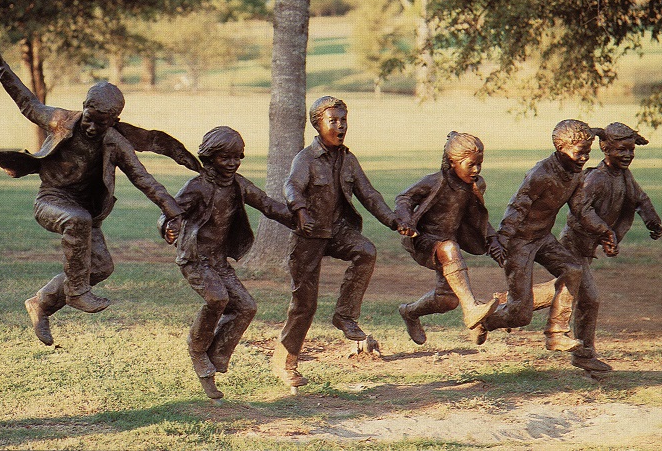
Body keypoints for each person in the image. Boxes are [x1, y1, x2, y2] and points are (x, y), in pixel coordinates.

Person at [0, 29, 200, 347]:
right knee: (76, 221)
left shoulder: (115, 143)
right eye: (89, 117)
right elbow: (27, 103)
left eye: (102, 122)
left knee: (100, 266)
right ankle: (76, 292)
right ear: (83, 107)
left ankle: (41, 304)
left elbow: (144, 179)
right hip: (52, 200)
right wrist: (2, 66)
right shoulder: (60, 120)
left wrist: (174, 212)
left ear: (113, 121)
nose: (92, 126)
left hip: (85, 211)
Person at [494, 123, 662, 371]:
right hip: (573, 244)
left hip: (581, 245)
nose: (627, 154)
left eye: (631, 149)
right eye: (621, 149)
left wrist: (646, 222)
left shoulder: (621, 177)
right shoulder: (593, 178)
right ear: (606, 148)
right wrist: (603, 231)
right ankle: (581, 353)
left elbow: (638, 200)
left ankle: (512, 303)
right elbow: (576, 213)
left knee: (568, 289)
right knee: (588, 297)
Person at [272, 96, 410, 388]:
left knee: (366, 251)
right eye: (333, 121)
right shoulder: (306, 159)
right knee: (304, 304)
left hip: (337, 232)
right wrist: (300, 210)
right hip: (309, 236)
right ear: (318, 124)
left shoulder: (348, 160)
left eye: (343, 120)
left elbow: (369, 195)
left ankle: (345, 316)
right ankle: (285, 363)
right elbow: (291, 186)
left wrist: (394, 221)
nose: (340, 126)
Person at [160, 126, 294, 400]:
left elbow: (267, 204)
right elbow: (170, 210)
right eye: (225, 158)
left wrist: (300, 219)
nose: (233, 164)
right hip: (195, 258)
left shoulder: (237, 184)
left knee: (246, 306)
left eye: (238, 158)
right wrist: (168, 226)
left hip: (219, 261)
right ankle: (197, 350)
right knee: (217, 298)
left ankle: (215, 356)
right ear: (210, 158)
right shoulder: (197, 186)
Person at [480, 119, 617, 352]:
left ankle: (556, 332)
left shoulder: (575, 174)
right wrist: (502, 240)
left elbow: (581, 209)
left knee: (573, 269)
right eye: (579, 153)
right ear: (560, 148)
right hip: (518, 243)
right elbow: (517, 207)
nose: (584, 159)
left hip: (543, 238)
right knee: (520, 315)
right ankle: (484, 321)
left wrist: (604, 230)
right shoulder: (540, 174)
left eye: (588, 153)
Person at [395, 132, 505, 345]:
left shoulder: (475, 186)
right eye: (471, 165)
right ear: (453, 162)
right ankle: (472, 310)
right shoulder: (435, 181)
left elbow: (479, 217)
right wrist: (406, 221)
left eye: (479, 164)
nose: (476, 170)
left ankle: (409, 312)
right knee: (449, 248)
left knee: (447, 300)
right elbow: (404, 198)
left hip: (448, 244)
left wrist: (492, 239)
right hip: (424, 240)